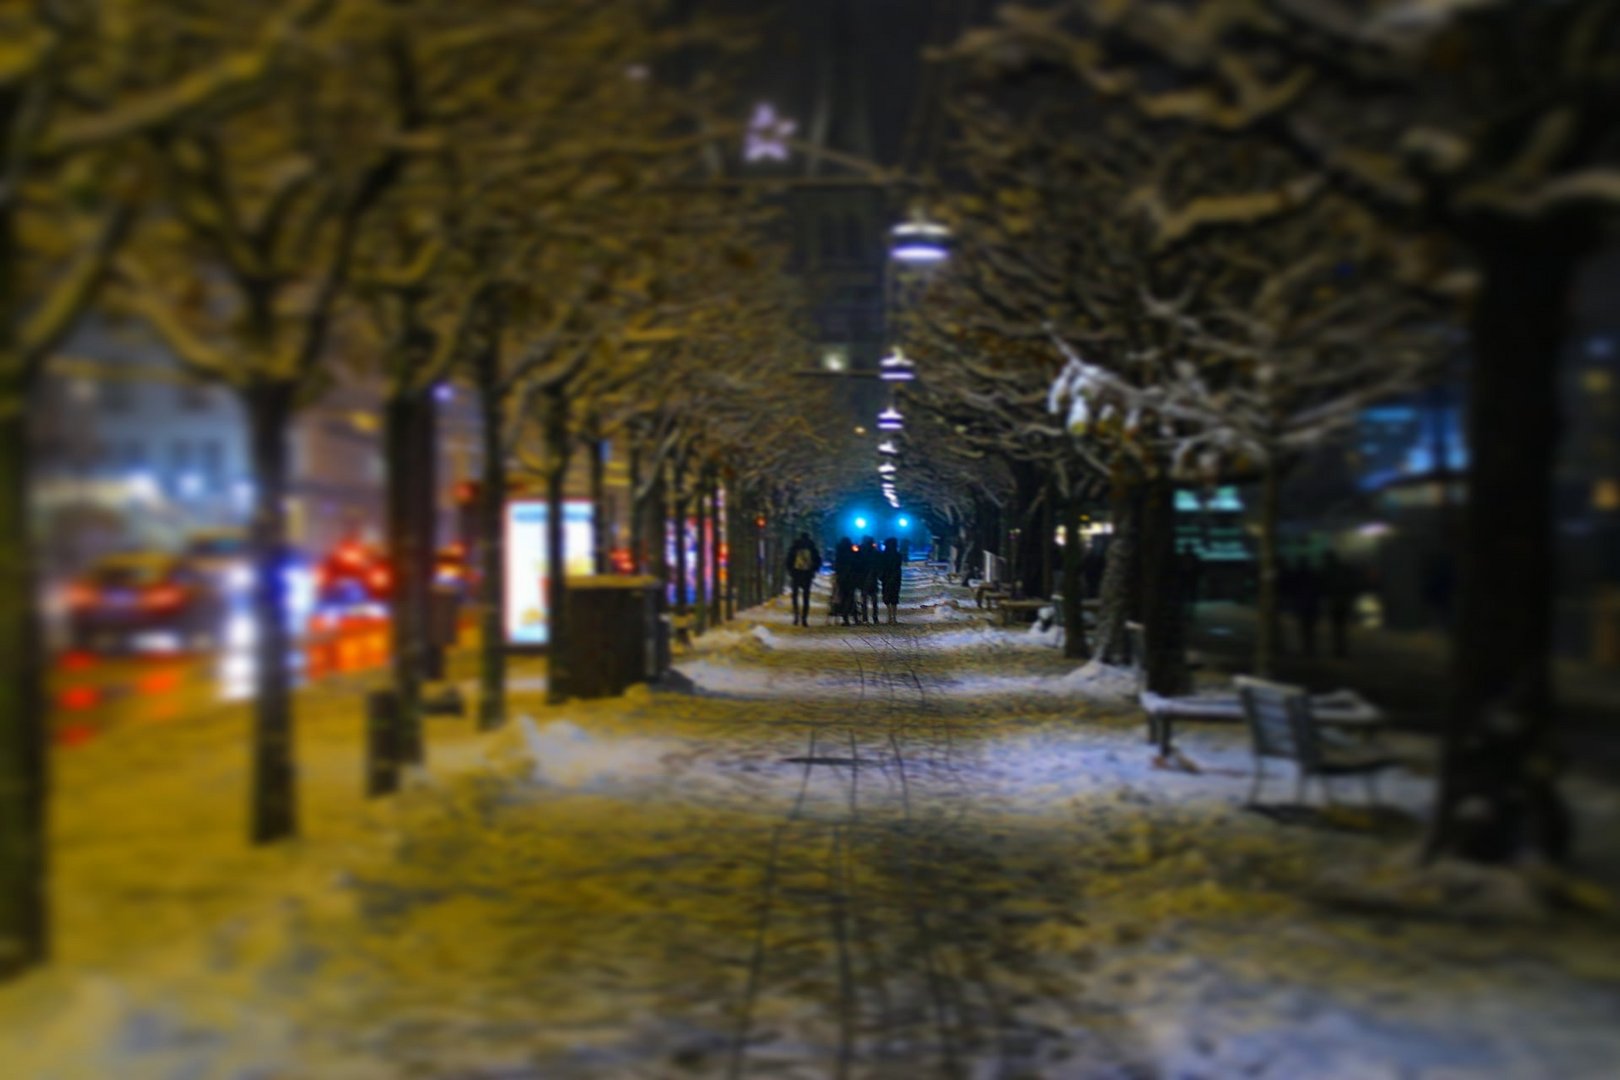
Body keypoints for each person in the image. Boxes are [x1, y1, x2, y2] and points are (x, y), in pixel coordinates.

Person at [1322, 551, 1359, 658]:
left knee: (1337, 626)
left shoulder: (1329, 571)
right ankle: (1341, 648)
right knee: (1341, 626)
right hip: (1343, 599)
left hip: (1335, 600)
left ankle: (1338, 648)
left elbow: (1326, 586)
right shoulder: (1342, 569)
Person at [784, 532, 821, 627]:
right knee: (806, 597)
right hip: (807, 574)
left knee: (795, 596)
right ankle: (804, 618)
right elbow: (818, 561)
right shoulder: (812, 547)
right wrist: (813, 570)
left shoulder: (795, 547)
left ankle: (796, 616)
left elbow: (788, 560)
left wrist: (791, 571)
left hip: (796, 574)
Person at [1290, 555, 1323, 657]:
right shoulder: (1312, 575)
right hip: (1310, 605)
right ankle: (1310, 649)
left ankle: (1306, 649)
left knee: (1304, 628)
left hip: (1303, 604)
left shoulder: (1299, 575)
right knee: (1309, 629)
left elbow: (1294, 589)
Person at [832, 536, 860, 626]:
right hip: (851, 578)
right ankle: (853, 616)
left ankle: (845, 617)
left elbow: (836, 565)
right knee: (851, 597)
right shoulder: (851, 552)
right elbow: (856, 563)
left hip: (842, 578)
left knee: (843, 597)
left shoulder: (839, 552)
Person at [879, 537, 904, 625]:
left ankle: (889, 616)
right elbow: (898, 566)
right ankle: (894, 617)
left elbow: (881, 567)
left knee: (887, 597)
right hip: (896, 578)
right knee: (894, 597)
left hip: (886, 578)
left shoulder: (883, 555)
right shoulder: (898, 555)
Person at [857, 536, 881, 624]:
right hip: (872, 578)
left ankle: (865, 618)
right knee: (874, 599)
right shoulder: (875, 553)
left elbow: (857, 565)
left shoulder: (860, 552)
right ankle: (875, 617)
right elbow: (879, 565)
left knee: (864, 599)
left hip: (863, 578)